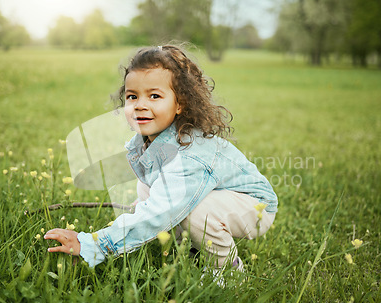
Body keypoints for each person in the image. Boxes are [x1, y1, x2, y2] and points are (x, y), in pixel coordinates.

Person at [44, 45, 278, 273]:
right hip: (219, 197)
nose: (140, 105)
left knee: (193, 212)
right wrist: (143, 211)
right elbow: (157, 200)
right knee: (149, 187)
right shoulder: (149, 141)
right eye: (132, 96)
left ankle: (229, 270)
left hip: (256, 207)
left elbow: (162, 210)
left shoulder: (190, 154)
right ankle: (192, 251)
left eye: (155, 96)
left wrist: (94, 244)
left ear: (179, 104)